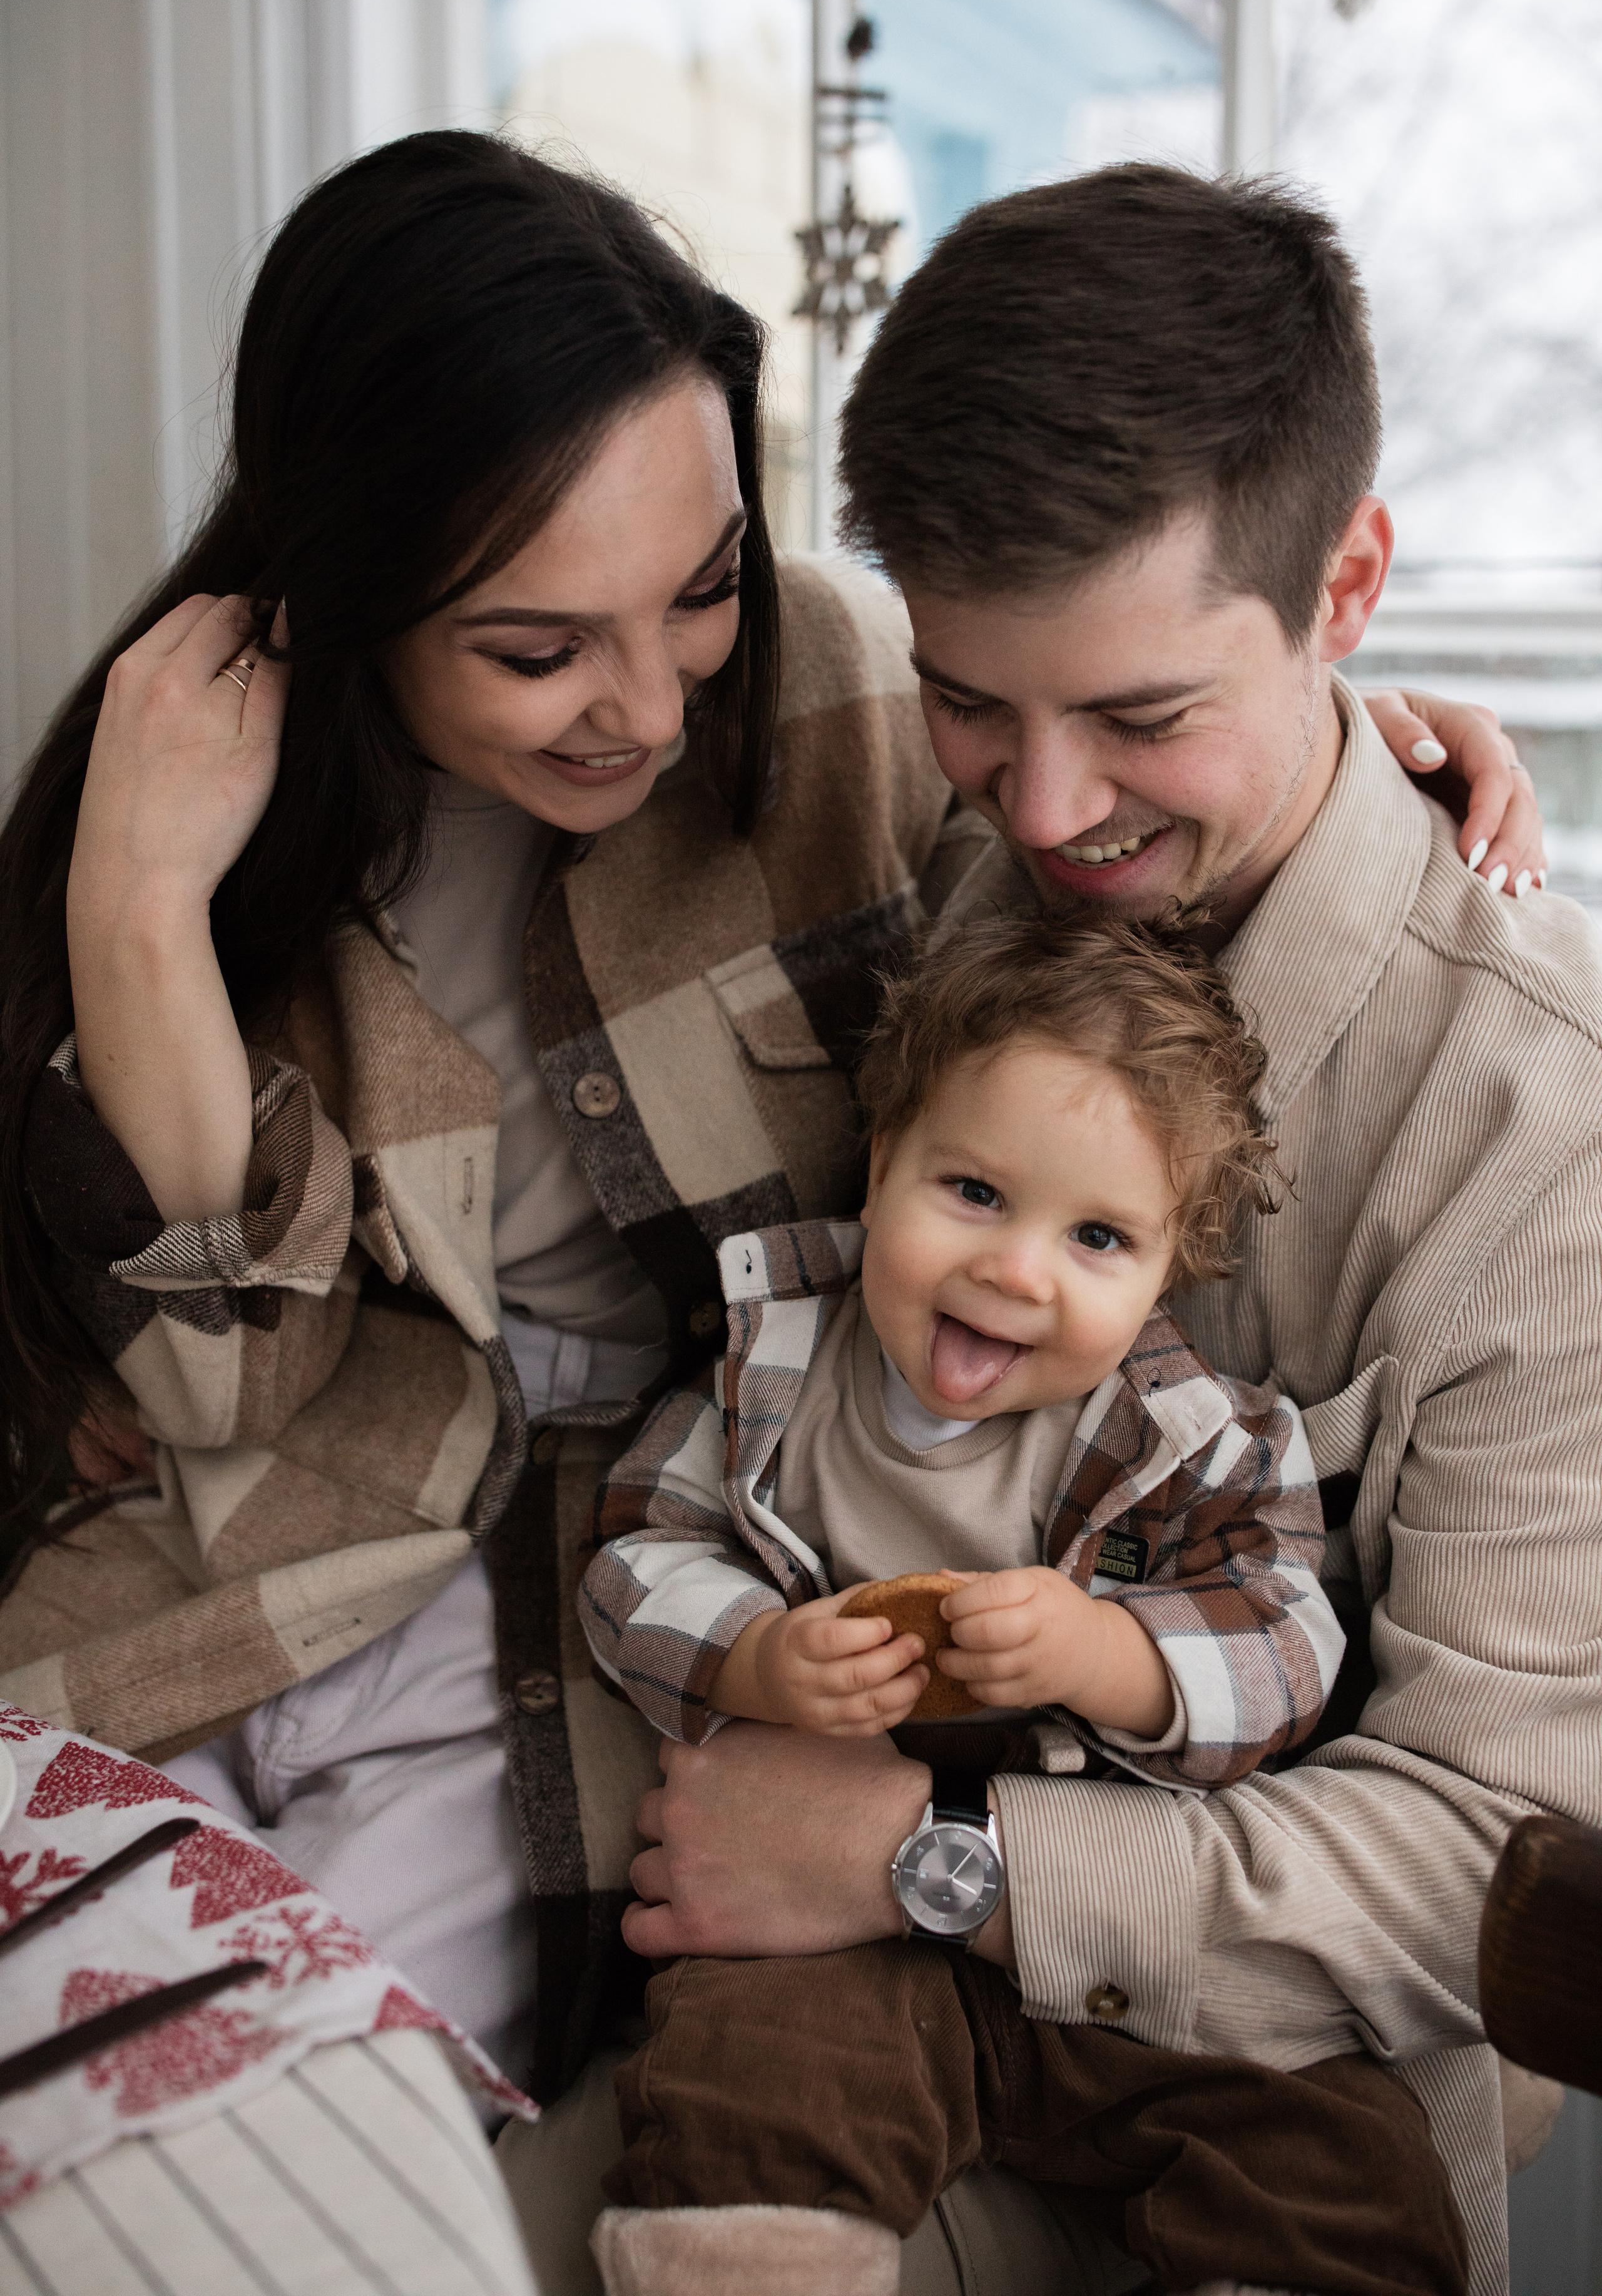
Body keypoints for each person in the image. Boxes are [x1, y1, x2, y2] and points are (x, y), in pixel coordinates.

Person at [0, 131, 1543, 2292]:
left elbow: (1509, 1867)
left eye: (702, 591)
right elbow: (215, 1387)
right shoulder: (263, 803)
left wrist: (1337, 736)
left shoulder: (838, 714)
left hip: (685, 1665)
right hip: (329, 1555)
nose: (647, 703)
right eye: (540, 645)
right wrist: (138, 913)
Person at [595, 167, 1601, 2296]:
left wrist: (941, 1860)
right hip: (805, 2001)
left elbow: (1505, 1871)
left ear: (1349, 588)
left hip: (1273, 2076)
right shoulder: (976, 872)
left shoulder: (1542, 1129)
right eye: (977, 701)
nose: (1043, 813)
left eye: (1142, 718)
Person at [577, 915, 1467, 2293]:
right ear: (880, 1170)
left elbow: (1287, 1639)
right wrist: (753, 1657)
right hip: (827, 1913)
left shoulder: (1196, 1439)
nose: (1015, 1269)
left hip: (1112, 1921)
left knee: (1334, 2152)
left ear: (1164, 1274)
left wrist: (1111, 1653)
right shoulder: (779, 1369)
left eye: (1097, 1235)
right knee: (742, 2088)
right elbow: (642, 1543)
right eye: (974, 1193)